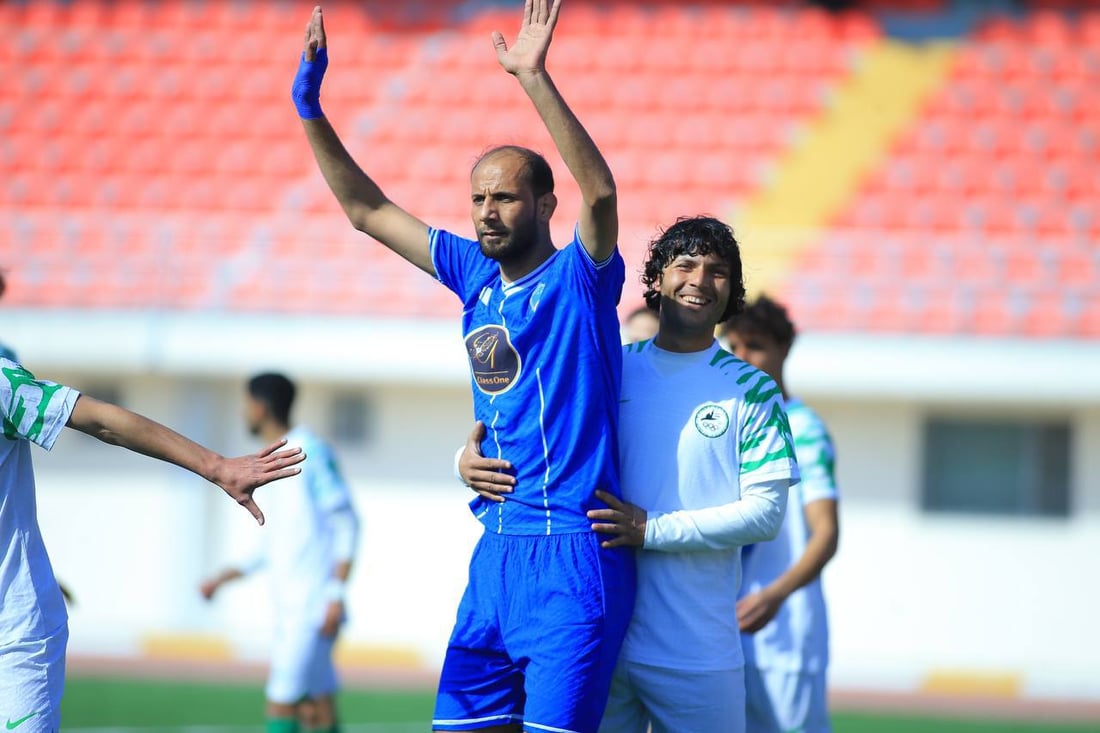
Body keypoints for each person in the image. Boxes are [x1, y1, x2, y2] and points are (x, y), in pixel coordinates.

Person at [292, 3, 634, 731]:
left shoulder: (580, 278)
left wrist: (532, 78)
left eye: (504, 196)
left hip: (574, 557)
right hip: (494, 555)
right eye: (477, 197)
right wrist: (311, 109)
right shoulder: (472, 273)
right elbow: (366, 210)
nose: (485, 211)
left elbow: (602, 193)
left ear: (545, 204)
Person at [460, 216, 801, 733]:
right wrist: (463, 462)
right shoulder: (610, 368)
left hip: (697, 652)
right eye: (685, 265)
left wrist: (651, 529)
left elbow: (765, 515)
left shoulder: (753, 390)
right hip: (599, 638)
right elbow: (534, 439)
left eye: (717, 271)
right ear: (657, 279)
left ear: (731, 289)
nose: (700, 280)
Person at [0, 358, 304, 733]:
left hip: (14, 635)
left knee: (301, 702)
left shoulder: (3, 385)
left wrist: (216, 466)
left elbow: (101, 420)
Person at [200, 373, 360, 733]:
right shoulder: (273, 460)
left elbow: (347, 523)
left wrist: (334, 593)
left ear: (259, 407)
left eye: (245, 404)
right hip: (295, 607)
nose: (243, 412)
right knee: (317, 709)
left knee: (282, 702)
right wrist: (222, 578)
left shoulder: (309, 451)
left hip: (312, 607)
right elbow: (273, 543)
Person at [724, 296, 840, 733]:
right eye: (734, 346)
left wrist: (774, 595)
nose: (742, 357)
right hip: (723, 634)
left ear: (784, 348)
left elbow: (826, 534)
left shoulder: (803, 428)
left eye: (754, 346)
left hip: (785, 639)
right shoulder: (728, 423)